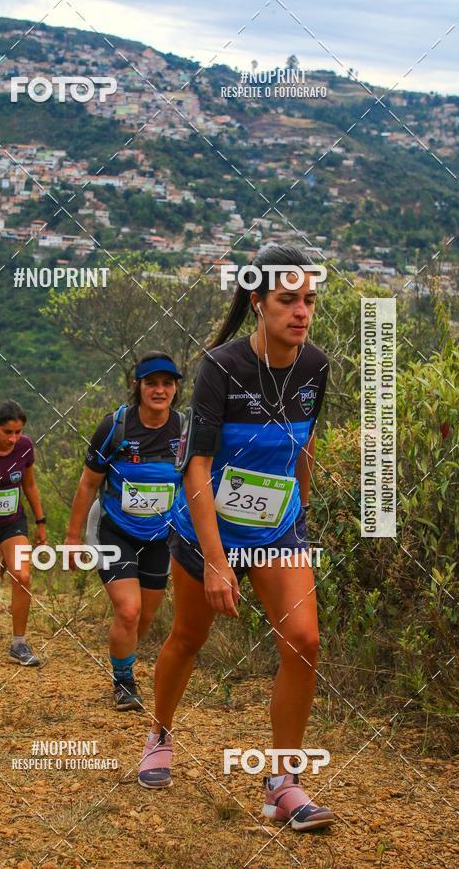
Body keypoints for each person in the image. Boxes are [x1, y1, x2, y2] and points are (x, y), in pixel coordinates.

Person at [138, 245, 336, 831]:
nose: (301, 312)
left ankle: (282, 784)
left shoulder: (315, 365)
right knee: (188, 637)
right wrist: (219, 562)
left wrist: (304, 508)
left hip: (278, 526)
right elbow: (195, 466)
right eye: (287, 300)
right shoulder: (221, 367)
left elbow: (302, 443)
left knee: (304, 641)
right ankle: (160, 733)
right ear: (258, 302)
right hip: (208, 528)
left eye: (309, 300)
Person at [65, 352, 184, 711]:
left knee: (144, 617)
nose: (159, 390)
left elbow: (197, 484)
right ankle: (124, 682)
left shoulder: (185, 428)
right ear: (138, 387)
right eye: (151, 383)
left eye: (167, 383)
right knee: (129, 611)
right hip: (114, 531)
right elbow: (88, 485)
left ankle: (124, 663)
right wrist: (72, 540)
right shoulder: (115, 427)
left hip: (161, 537)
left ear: (176, 388)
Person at [0, 399, 45, 666]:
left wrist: (41, 521)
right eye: (8, 432)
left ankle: (19, 644)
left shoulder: (25, 447)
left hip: (12, 523)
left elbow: (29, 485)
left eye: (18, 432)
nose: (14, 438)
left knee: (22, 575)